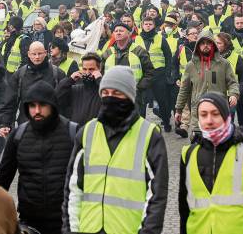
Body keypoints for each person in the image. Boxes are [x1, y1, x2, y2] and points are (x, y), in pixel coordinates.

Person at [62, 66, 168, 234]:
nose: (110, 98)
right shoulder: (87, 132)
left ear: (130, 97)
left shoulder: (149, 135)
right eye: (105, 93)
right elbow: (73, 189)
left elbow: (156, 196)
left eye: (117, 93)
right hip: (89, 228)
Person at [178, 93, 243, 234]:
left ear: (226, 116)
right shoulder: (188, 155)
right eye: (203, 114)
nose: (209, 120)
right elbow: (184, 209)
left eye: (215, 114)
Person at [0, 81, 76, 234]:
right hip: (29, 222)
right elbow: (2, 179)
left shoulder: (73, 133)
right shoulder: (18, 135)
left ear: (53, 105)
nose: (37, 111)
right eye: (32, 106)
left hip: (66, 222)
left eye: (42, 105)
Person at [174, 29, 239, 139]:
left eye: (208, 43)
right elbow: (184, 90)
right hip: (198, 112)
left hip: (218, 110)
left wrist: (233, 94)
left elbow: (232, 82)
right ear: (198, 45)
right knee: (197, 144)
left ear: (213, 44)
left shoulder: (223, 64)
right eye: (202, 43)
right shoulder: (191, 66)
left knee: (218, 144)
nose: (205, 46)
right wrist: (178, 110)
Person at [0, 41, 66, 130]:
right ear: (28, 54)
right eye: (34, 54)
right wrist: (4, 124)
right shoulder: (20, 74)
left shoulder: (58, 74)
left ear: (46, 53)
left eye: (40, 53)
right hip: (26, 127)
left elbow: (65, 103)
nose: (37, 57)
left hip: (52, 127)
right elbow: (9, 102)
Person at [100, 22, 155, 117]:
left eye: (121, 31)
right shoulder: (108, 53)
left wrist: (139, 88)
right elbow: (100, 73)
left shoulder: (139, 51)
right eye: (116, 31)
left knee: (136, 126)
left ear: (129, 33)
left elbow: (150, 72)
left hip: (135, 96)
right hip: (113, 97)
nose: (118, 33)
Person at [134, 16, 173, 130]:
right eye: (146, 24)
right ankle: (141, 127)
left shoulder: (161, 39)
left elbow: (168, 56)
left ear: (154, 25)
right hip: (143, 74)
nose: (148, 26)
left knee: (162, 100)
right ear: (142, 25)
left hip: (158, 74)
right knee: (142, 102)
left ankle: (166, 122)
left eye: (150, 24)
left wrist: (167, 74)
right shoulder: (136, 39)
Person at [56, 52, 103, 124]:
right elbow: (56, 98)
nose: (87, 73)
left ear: (99, 69)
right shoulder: (75, 89)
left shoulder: (103, 92)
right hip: (76, 133)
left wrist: (100, 80)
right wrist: (69, 80)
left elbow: (112, 102)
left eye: (91, 69)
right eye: (84, 69)